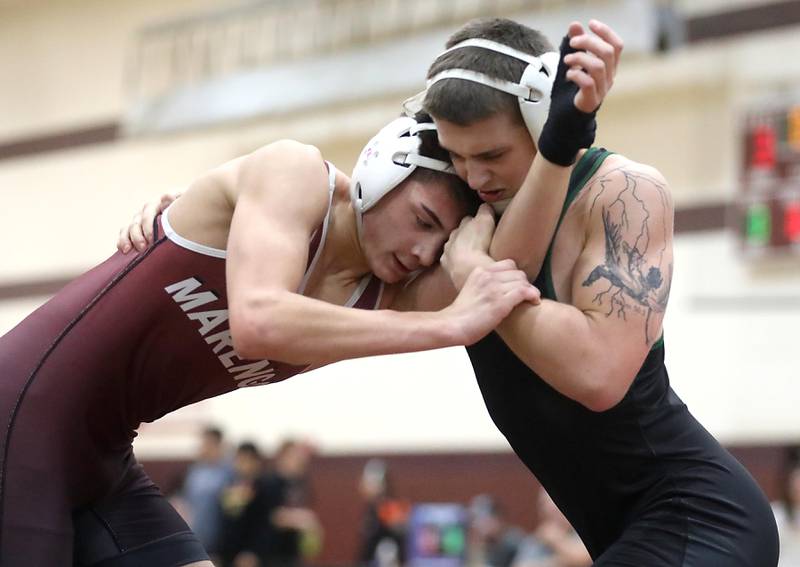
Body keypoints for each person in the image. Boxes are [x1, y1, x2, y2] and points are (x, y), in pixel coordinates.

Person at [0, 110, 541, 566]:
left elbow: (520, 254)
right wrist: (450, 325)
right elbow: (258, 322)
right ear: (381, 170)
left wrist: (556, 145)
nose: (424, 253)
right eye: (422, 220)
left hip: (104, 456)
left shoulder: (390, 291)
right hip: (18, 418)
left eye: (441, 244)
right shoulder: (293, 172)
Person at [418, 16, 779, 566]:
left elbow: (598, 374)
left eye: (491, 156)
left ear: (543, 122)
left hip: (699, 519)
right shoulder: (469, 214)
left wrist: (474, 277)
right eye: (456, 155)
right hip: (619, 535)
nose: (473, 177)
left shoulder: (621, 193)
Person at [181, 426, 234, 562]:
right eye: (204, 443)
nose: (205, 447)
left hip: (220, 538)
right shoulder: (195, 471)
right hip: (197, 535)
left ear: (219, 445)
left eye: (209, 443)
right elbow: (187, 502)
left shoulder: (229, 471)